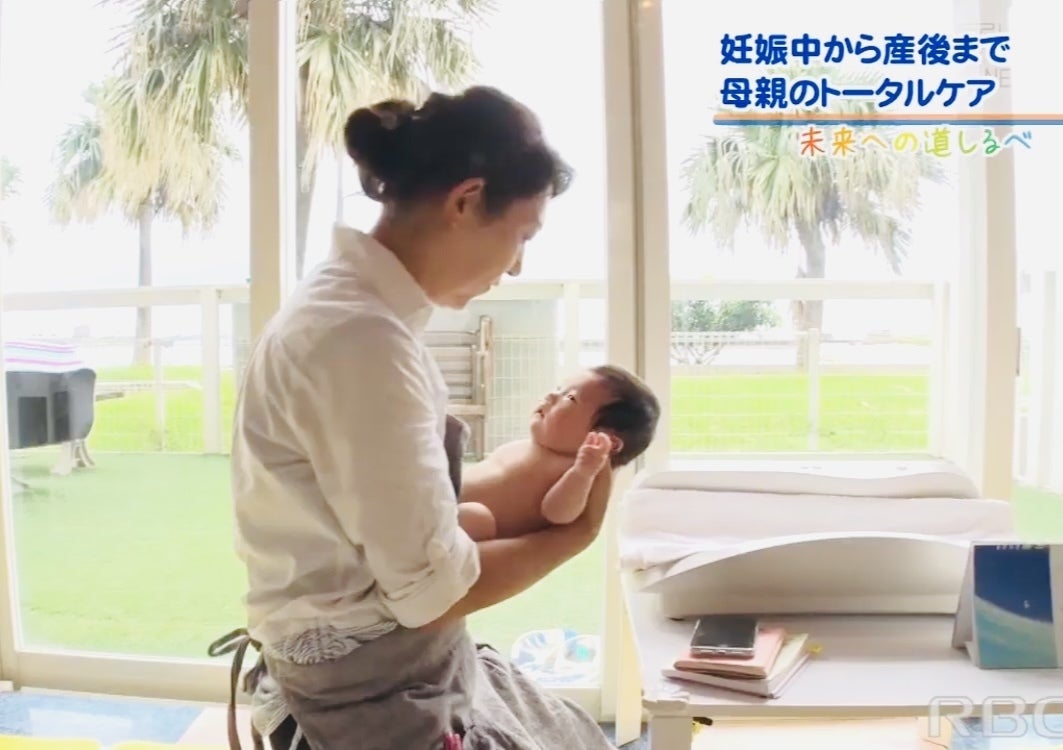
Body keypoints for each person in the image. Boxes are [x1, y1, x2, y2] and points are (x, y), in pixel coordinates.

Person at [226, 86, 621, 749]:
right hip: (367, 690)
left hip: (388, 660)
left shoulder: (349, 309)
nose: (517, 266)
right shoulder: (361, 339)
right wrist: (572, 537)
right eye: (522, 235)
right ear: (466, 201)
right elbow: (430, 595)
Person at [457, 365, 660, 541]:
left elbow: (559, 514)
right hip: (445, 499)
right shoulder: (533, 447)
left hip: (462, 526)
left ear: (605, 439)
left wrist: (583, 471)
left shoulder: (575, 472)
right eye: (558, 389)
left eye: (570, 398)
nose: (551, 396)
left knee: (477, 518)